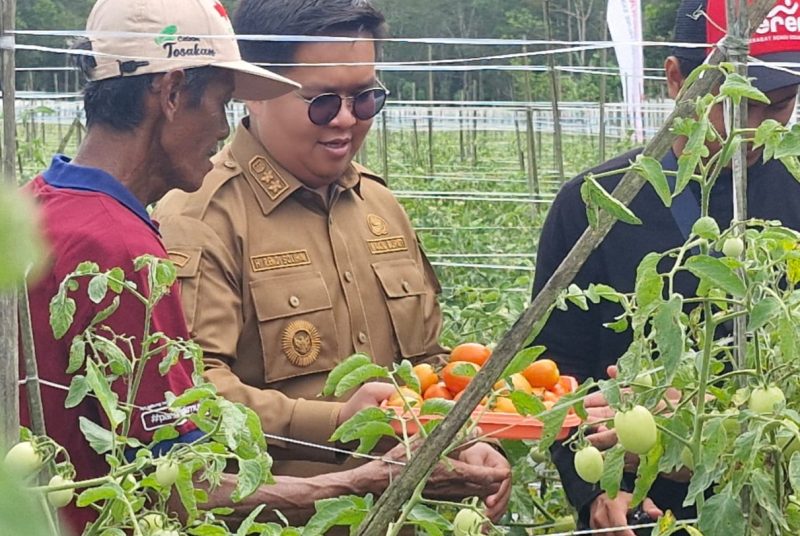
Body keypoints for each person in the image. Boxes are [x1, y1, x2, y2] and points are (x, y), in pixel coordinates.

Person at [18, 0, 509, 533]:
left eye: (366, 98)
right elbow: (171, 477)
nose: (222, 127)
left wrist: (463, 435)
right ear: (174, 93)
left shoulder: (40, 210)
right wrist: (352, 471)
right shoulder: (125, 242)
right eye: (223, 102)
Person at [531, 0, 800, 534]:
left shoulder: (793, 191)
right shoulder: (597, 203)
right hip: (636, 508)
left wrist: (708, 432)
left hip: (773, 497)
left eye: (781, 103)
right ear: (676, 78)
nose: (758, 125)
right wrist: (595, 489)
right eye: (737, 103)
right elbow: (555, 363)